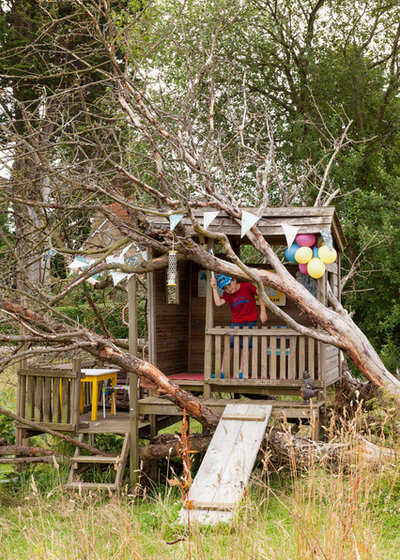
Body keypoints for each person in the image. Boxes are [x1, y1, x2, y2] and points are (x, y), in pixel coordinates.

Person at [210, 274, 268, 378]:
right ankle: (223, 371)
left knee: (246, 346)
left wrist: (263, 312)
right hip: (236, 322)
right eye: (225, 288)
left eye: (229, 285)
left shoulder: (247, 286)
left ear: (234, 280)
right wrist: (214, 289)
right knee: (230, 346)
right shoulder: (227, 294)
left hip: (250, 322)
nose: (229, 289)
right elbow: (218, 303)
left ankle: (241, 371)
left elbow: (261, 295)